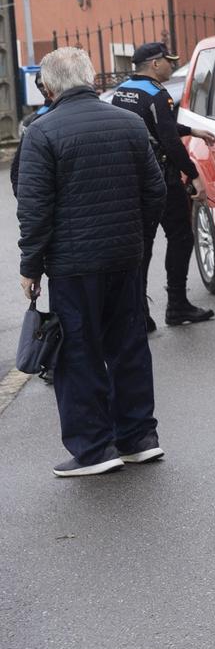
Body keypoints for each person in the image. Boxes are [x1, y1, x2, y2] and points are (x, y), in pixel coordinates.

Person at [16, 47, 168, 478]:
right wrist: (137, 238)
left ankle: (94, 448)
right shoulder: (130, 123)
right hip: (126, 257)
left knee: (78, 354)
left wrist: (31, 266)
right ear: (91, 78)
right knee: (129, 345)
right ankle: (139, 438)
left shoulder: (42, 134)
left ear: (48, 87)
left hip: (74, 263)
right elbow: (155, 191)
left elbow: (35, 209)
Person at [110, 42, 213, 328]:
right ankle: (177, 306)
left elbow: (154, 126)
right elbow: (167, 139)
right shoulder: (157, 94)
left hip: (133, 180)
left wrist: (191, 130)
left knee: (142, 246)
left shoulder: (123, 92)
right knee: (181, 237)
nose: (172, 65)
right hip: (161, 179)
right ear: (155, 64)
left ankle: (139, 313)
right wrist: (193, 175)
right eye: (169, 61)